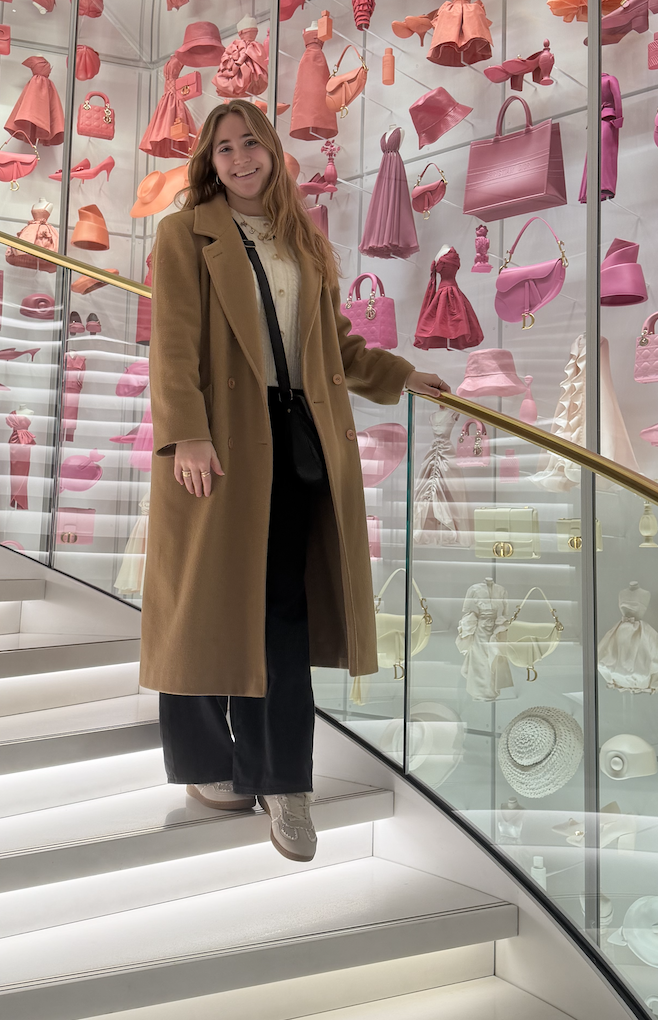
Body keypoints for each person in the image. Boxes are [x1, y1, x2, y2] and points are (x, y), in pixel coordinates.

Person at [142, 99, 449, 862]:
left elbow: (336, 347)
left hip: (296, 439)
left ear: (274, 152)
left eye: (251, 143)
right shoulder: (184, 233)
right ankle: (207, 763)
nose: (240, 158)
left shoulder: (302, 241)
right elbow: (172, 344)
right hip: (218, 441)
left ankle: (286, 783)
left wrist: (402, 377)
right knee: (204, 608)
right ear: (209, 162)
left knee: (281, 614)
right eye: (224, 148)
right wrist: (186, 434)